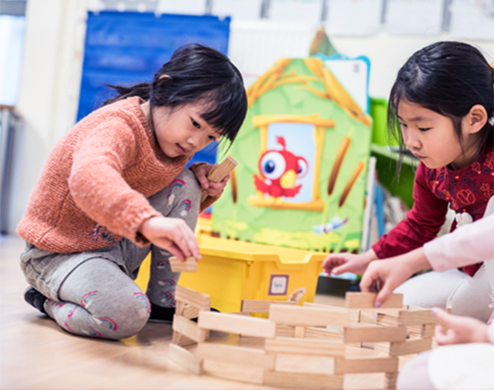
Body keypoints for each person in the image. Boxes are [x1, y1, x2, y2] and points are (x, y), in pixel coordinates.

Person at [18, 43, 247, 340]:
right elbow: (89, 178)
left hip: (108, 247)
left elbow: (164, 202)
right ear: (165, 90)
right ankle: (47, 301)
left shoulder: (170, 141)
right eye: (195, 123)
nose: (195, 142)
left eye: (210, 137)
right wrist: (147, 222)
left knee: (186, 183)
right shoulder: (117, 126)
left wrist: (201, 185)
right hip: (58, 253)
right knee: (127, 315)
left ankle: (162, 302)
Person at [323, 41, 494, 321]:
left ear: (474, 119)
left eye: (423, 127)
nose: (411, 142)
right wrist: (368, 259)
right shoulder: (431, 169)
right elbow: (420, 224)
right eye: (404, 125)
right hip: (464, 266)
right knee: (392, 308)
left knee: (463, 310)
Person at [359, 210, 494, 389]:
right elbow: (482, 234)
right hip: (466, 270)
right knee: (405, 304)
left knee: (417, 376)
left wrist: (483, 335)